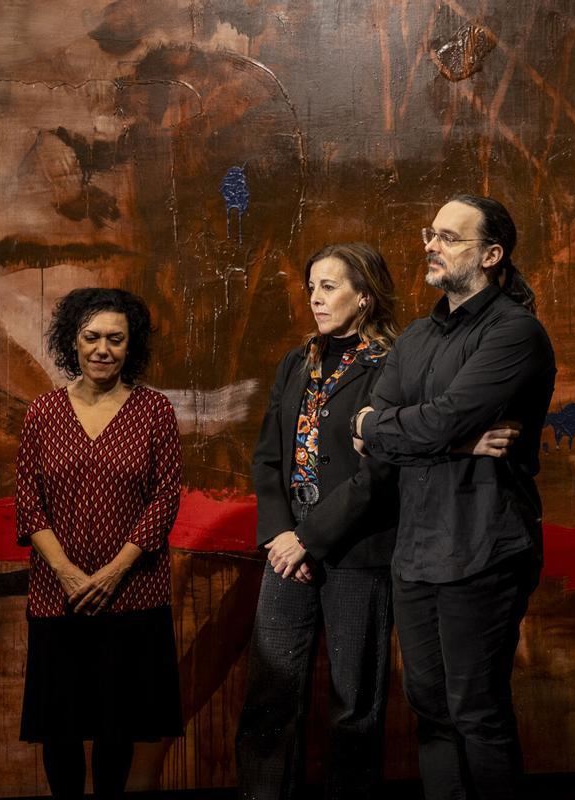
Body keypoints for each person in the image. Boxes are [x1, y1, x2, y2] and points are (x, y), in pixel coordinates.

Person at [353, 194, 555, 799]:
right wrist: (459, 443)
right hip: (416, 549)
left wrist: (394, 429)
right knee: (430, 709)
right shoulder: (417, 335)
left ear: (491, 255)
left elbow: (429, 421)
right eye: (431, 234)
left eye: (448, 237)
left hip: (483, 547)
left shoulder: (515, 332)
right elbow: (368, 434)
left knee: (476, 711)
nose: (431, 246)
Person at [235, 243, 415, 799]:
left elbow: (379, 472)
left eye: (329, 287)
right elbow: (269, 457)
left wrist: (309, 540)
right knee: (269, 695)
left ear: (364, 296)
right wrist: (280, 535)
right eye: (312, 286)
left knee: (353, 705)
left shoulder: (394, 366)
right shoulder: (297, 362)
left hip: (357, 552)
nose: (315, 297)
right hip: (286, 547)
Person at [14, 288, 183, 799]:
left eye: (115, 339)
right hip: (57, 597)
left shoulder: (154, 410)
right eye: (91, 337)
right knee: (60, 730)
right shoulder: (43, 412)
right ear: (73, 340)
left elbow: (165, 500)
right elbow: (29, 503)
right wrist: (68, 573)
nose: (102, 349)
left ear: (131, 346)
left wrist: (113, 573)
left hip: (131, 596)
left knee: (118, 727)